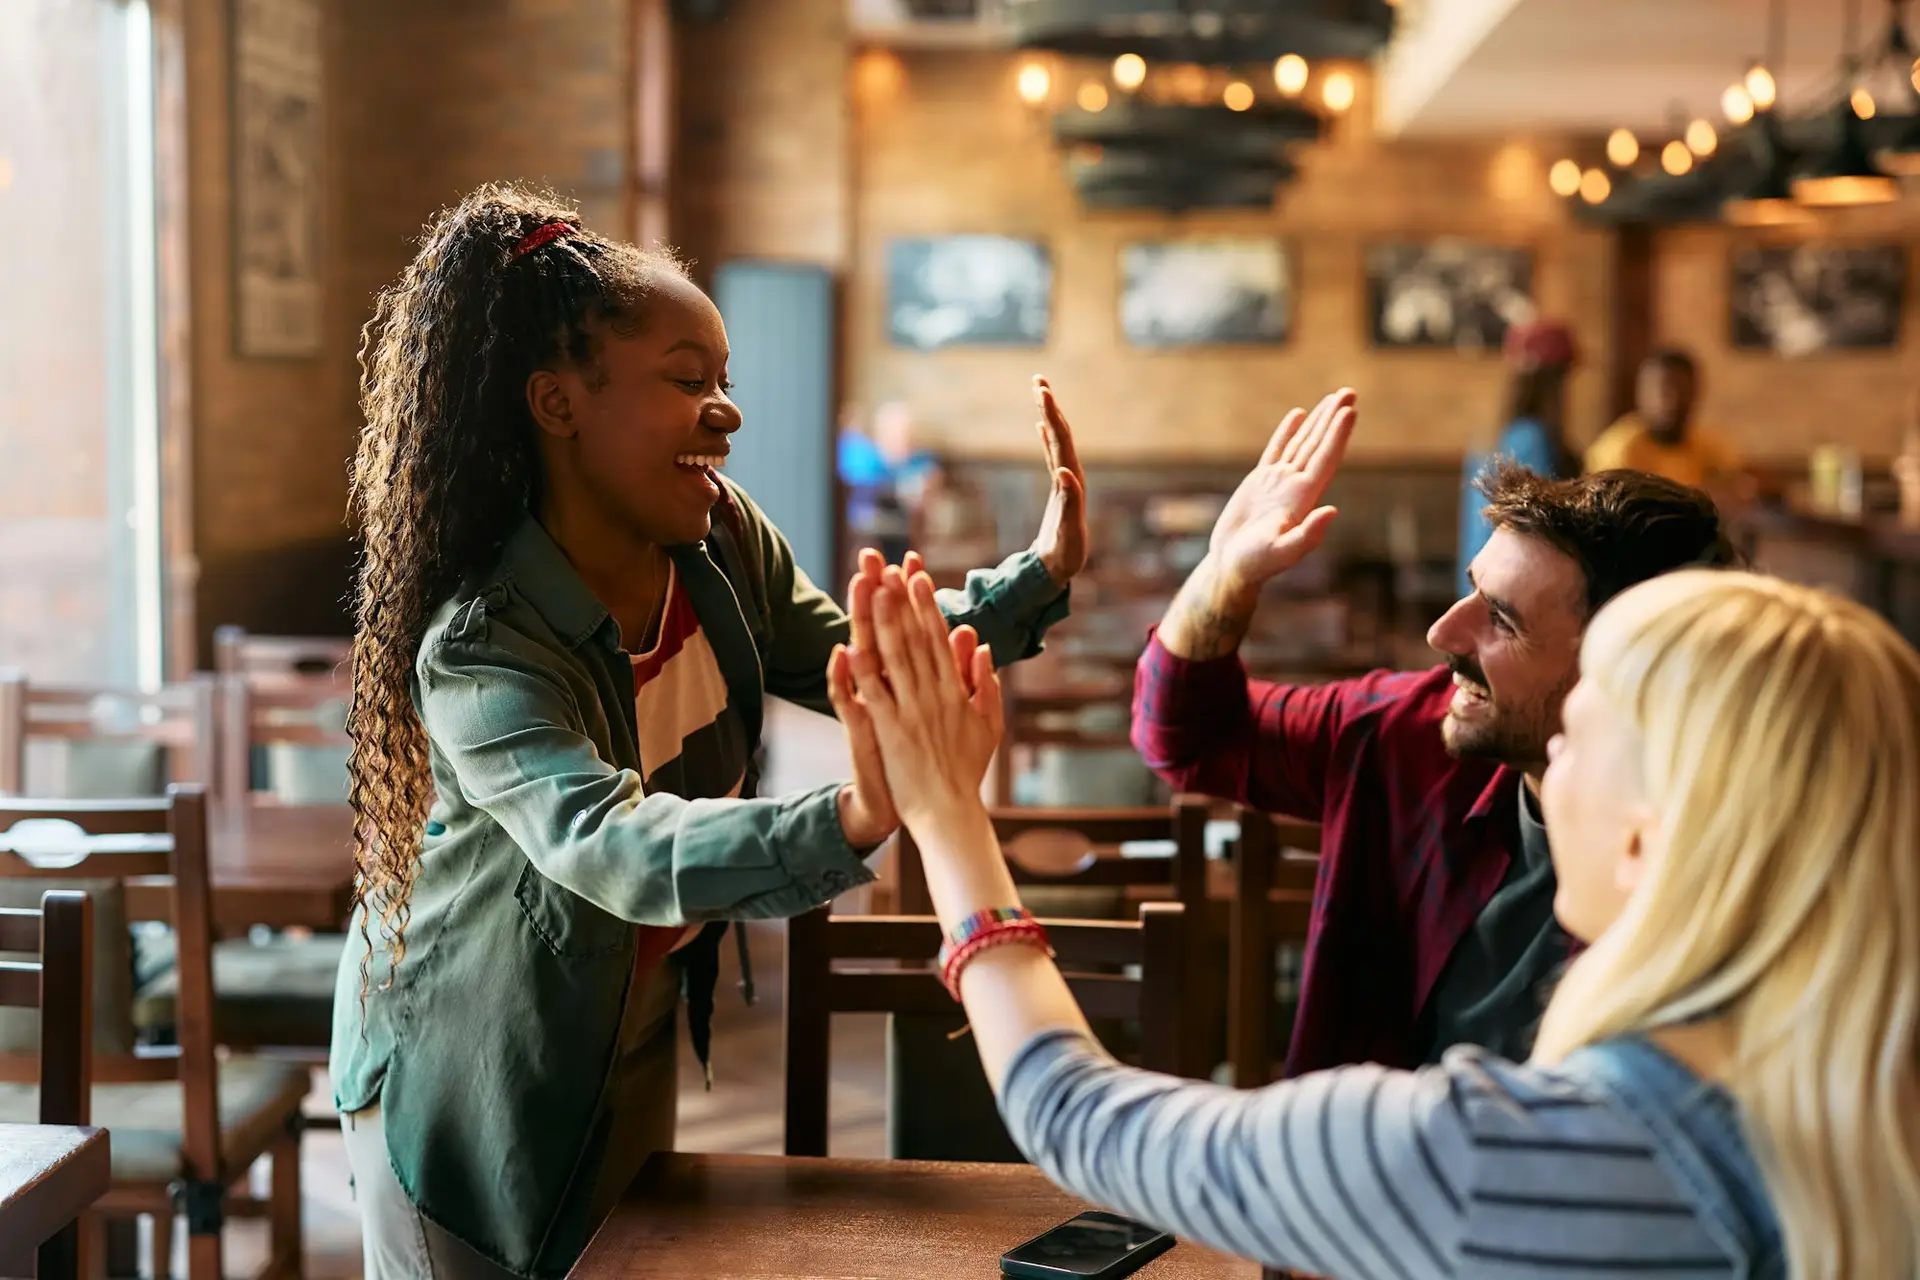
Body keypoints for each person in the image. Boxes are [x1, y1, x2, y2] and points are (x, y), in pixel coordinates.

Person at [332, 183, 1090, 1279]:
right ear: (558, 403)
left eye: (724, 382)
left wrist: (1040, 574)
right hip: (470, 1061)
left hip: (619, 1013)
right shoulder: (483, 645)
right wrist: (855, 813)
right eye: (688, 382)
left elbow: (862, 660)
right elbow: (611, 846)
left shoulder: (721, 541)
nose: (727, 411)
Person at [837, 556, 1920, 1279]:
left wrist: (946, 816)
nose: (1550, 772)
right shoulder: (1873, 1119)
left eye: (1576, 738)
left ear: (1646, 839)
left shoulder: (1499, 1153)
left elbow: (1078, 1115)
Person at [1131, 389, 1740, 1076]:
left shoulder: (1736, 853)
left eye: (1501, 620)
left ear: (1625, 667)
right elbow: (1186, 737)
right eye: (1472, 589)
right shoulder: (1404, 734)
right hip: (1366, 1170)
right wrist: (1224, 576)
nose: (1443, 632)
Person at [1457, 317, 1581, 597]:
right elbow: (1545, 528)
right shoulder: (1532, 438)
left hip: (1479, 586)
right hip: (1513, 593)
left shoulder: (1492, 437)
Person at [1585, 347, 1751, 502]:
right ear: (1642, 393)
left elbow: (1740, 484)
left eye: (1683, 389)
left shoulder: (1703, 442)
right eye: (1664, 391)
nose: (1674, 401)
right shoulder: (1618, 449)